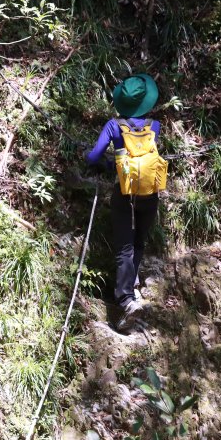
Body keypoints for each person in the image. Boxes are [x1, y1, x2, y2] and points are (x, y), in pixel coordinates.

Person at [85, 73, 162, 331]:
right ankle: (132, 286)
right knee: (139, 240)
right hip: (149, 194)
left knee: (124, 246)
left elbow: (94, 157)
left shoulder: (113, 125)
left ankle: (126, 299)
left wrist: (104, 162)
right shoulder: (155, 126)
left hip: (124, 192)